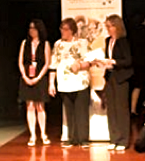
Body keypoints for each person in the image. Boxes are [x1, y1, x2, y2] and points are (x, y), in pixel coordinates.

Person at [48, 18, 91, 148]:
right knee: (69, 111)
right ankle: (72, 138)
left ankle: (83, 139)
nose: (62, 31)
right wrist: (51, 83)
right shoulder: (58, 44)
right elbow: (53, 64)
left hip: (80, 81)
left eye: (65, 29)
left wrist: (80, 66)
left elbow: (90, 61)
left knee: (81, 111)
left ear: (72, 30)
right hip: (64, 82)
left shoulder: (82, 43)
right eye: (61, 29)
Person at [99, 14, 133, 151]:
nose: (108, 29)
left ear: (117, 27)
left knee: (121, 110)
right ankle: (114, 139)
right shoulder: (108, 40)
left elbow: (128, 60)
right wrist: (103, 63)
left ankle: (123, 140)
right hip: (110, 77)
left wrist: (113, 62)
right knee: (111, 109)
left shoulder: (123, 41)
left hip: (121, 78)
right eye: (106, 26)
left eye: (110, 26)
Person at [18, 19, 51, 146]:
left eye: (34, 28)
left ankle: (43, 133)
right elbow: (20, 61)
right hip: (27, 76)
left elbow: (47, 63)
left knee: (40, 106)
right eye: (30, 28)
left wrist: (38, 77)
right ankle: (32, 134)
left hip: (40, 77)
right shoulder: (24, 43)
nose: (32, 30)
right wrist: (24, 76)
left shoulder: (45, 44)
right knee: (30, 106)